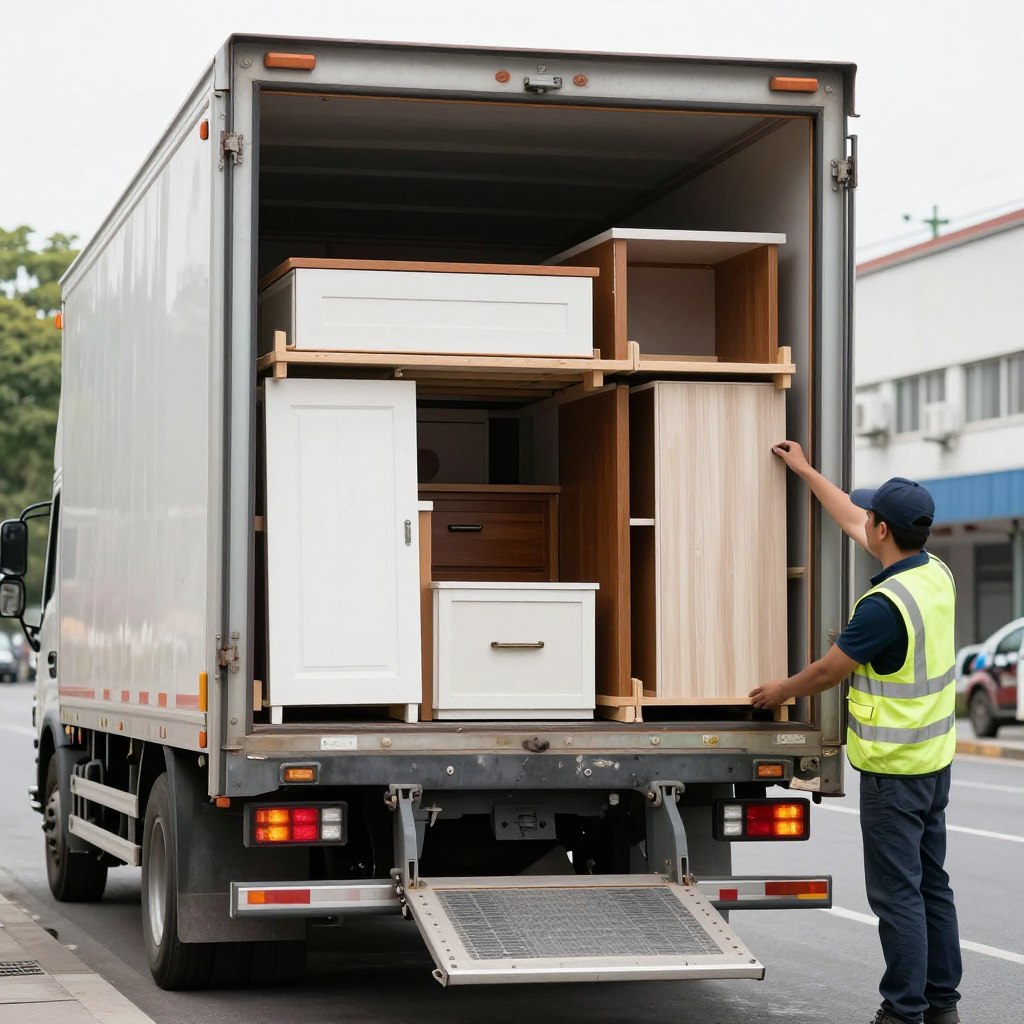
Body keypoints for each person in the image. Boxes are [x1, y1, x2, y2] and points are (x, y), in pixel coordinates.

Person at [750, 441, 962, 1024]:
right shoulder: (932, 572)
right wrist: (804, 471)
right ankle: (942, 1003)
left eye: (870, 515)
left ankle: (902, 1012)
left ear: (883, 528)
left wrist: (780, 691)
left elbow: (827, 671)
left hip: (895, 774)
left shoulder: (883, 606)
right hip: (934, 762)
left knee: (897, 896)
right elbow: (847, 513)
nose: (861, 518)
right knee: (932, 887)